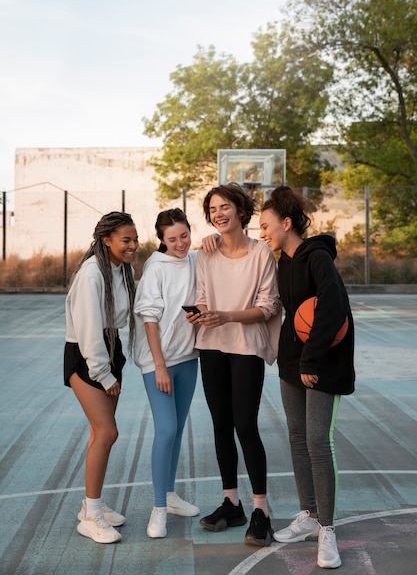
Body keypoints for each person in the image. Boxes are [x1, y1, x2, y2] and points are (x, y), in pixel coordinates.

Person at [259, 186, 355, 569]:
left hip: (322, 364)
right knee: (297, 436)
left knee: (318, 440)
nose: (262, 232)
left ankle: (327, 530)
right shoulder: (282, 260)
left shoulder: (317, 258)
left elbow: (333, 309)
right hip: (292, 362)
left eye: (266, 225)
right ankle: (308, 514)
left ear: (286, 223)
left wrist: (311, 361)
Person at [188, 182, 281, 547]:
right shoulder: (206, 253)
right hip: (211, 345)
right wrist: (200, 315)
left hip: (246, 346)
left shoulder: (261, 255)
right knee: (221, 425)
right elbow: (200, 296)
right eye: (212, 210)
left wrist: (226, 315)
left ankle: (262, 509)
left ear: (241, 210)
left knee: (245, 424)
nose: (218, 214)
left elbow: (269, 306)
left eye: (224, 206)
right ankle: (232, 503)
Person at [64, 211, 138, 544]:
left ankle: (90, 506)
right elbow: (88, 331)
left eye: (135, 239)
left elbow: (123, 318)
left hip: (111, 349)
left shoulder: (123, 270)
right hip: (88, 356)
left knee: (101, 434)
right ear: (106, 240)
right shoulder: (92, 274)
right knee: (107, 432)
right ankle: (90, 516)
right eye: (126, 240)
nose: (133, 245)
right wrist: (104, 374)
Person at [134, 208, 201, 539]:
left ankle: (171, 496)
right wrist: (159, 364)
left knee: (177, 430)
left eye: (184, 235)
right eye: (172, 239)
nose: (180, 243)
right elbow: (149, 318)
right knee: (166, 430)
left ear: (191, 230)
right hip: (158, 362)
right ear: (161, 239)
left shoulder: (195, 259)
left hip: (189, 358)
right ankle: (158, 507)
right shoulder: (155, 268)